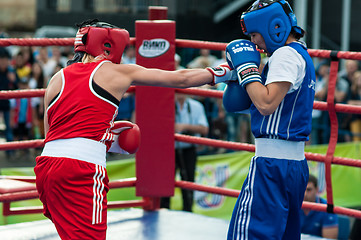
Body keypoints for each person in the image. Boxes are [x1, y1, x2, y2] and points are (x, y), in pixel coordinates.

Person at [33, 19, 231, 240]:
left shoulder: (56, 78)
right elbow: (181, 79)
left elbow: (51, 134)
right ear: (110, 43)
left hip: (47, 169)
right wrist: (224, 71)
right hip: (81, 171)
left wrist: (106, 137)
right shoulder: (117, 72)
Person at [222, 1, 315, 239]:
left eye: (254, 34)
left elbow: (266, 103)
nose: (254, 42)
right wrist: (243, 79)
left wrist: (245, 69)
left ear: (273, 26)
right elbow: (266, 106)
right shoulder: (300, 54)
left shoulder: (285, 55)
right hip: (294, 165)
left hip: (272, 166)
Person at [160, 93, 209, 212]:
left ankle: (188, 212)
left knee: (188, 183)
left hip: (189, 149)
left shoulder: (196, 106)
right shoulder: (165, 105)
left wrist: (185, 126)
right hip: (168, 149)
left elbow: (205, 129)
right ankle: (163, 212)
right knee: (165, 183)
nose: (181, 91)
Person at [301, 174, 339, 239]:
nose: (305, 194)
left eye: (309, 190)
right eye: (302, 189)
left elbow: (329, 238)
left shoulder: (326, 207)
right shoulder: (292, 204)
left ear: (317, 189)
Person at [0, 47, 16, 158]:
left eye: (6, 60)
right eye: (3, 60)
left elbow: (17, 87)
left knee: (9, 129)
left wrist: (13, 80)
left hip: (6, 104)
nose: (5, 62)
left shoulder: (10, 72)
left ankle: (10, 151)